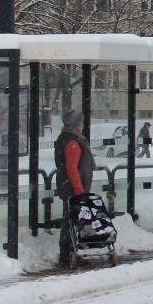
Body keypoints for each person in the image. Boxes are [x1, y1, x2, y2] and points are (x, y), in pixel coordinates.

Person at [54, 109, 96, 267]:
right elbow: (72, 168)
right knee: (70, 221)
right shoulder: (72, 140)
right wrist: (79, 189)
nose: (82, 124)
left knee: (71, 219)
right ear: (76, 123)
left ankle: (69, 252)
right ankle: (67, 254)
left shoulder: (70, 137)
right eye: (81, 121)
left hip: (70, 185)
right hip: (72, 187)